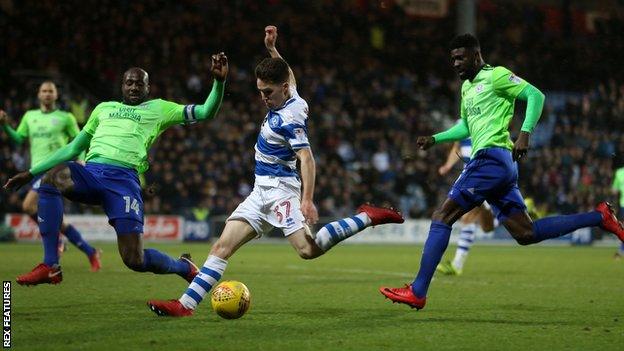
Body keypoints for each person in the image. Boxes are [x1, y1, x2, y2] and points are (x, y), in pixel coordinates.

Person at [147, 25, 404, 317]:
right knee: (221, 246)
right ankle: (185, 305)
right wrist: (272, 49)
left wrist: (307, 199)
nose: (263, 98)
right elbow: (289, 76)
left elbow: (307, 158)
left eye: (268, 92)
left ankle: (365, 217)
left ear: (281, 89)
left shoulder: (289, 120)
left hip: (282, 191)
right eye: (259, 91)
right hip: (260, 192)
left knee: (307, 250)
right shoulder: (291, 94)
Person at [379, 34, 624, 310]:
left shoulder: (496, 76)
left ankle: (418, 291)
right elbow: (467, 129)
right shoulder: (467, 89)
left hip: (490, 159)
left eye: (461, 57)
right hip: (499, 166)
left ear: (476, 55)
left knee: (442, 216)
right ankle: (600, 216)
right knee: (526, 233)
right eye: (453, 59)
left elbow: (535, 95)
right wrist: (436, 138)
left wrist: (525, 133)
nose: (456, 63)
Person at [4, 53, 229, 287]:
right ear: (122, 85)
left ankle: (183, 267)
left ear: (148, 87)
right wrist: (31, 173)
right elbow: (73, 148)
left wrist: (219, 83)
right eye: (129, 83)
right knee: (50, 179)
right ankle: (51, 265)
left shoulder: (160, 108)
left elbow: (206, 112)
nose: (133, 87)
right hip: (91, 174)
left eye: (139, 83)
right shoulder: (103, 109)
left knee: (134, 259)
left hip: (124, 182)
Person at [0, 81, 102, 279]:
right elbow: (19, 139)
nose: (47, 94)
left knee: (28, 206)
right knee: (58, 222)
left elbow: (80, 139)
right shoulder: (30, 116)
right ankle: (91, 252)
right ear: (39, 95)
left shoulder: (66, 117)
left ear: (56, 95)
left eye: (50, 91)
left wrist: (81, 159)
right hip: (36, 170)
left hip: (56, 170)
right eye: (44, 91)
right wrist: (5, 126)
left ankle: (55, 250)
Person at [435, 139, 494, 275]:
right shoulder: (463, 124)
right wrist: (448, 165)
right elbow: (457, 147)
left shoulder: (485, 122)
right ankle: (457, 265)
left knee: (470, 219)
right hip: (471, 177)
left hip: (483, 176)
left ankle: (457, 265)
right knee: (483, 225)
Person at [611, 165, 624, 259]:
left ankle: (621, 251)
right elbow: (614, 190)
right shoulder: (619, 172)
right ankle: (621, 250)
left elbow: (614, 190)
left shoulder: (619, 173)